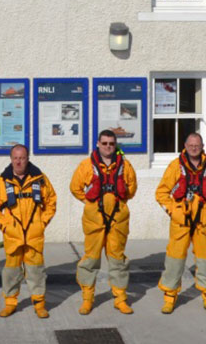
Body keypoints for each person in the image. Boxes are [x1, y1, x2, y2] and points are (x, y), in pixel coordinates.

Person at [155, 131, 206, 315]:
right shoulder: (175, 167)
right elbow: (161, 193)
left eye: (197, 145)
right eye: (191, 145)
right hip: (181, 221)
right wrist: (172, 211)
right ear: (185, 146)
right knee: (175, 258)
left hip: (203, 222)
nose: (194, 148)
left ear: (202, 147)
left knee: (205, 260)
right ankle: (169, 297)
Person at [70, 129, 138, 315]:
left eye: (111, 143)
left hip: (118, 219)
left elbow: (132, 189)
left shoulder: (125, 165)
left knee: (118, 260)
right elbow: (75, 188)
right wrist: (89, 203)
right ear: (98, 144)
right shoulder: (86, 165)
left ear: (115, 145)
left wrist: (119, 202)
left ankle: (120, 298)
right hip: (94, 220)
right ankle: (87, 298)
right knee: (91, 259)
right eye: (105, 143)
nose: (108, 146)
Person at [0, 144, 58, 318]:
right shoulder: (3, 181)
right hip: (13, 237)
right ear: (11, 159)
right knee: (11, 272)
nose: (19, 162)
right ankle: (10, 303)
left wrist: (42, 223)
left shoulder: (40, 179)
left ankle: (39, 304)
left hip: (34, 235)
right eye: (16, 158)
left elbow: (51, 202)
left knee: (36, 272)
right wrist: (4, 226)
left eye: (22, 158)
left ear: (28, 159)